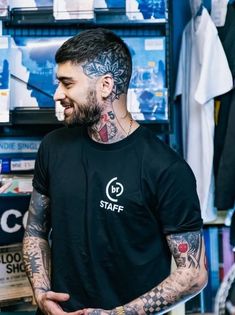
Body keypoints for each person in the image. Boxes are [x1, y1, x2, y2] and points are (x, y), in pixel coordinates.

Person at [22, 28, 208, 315]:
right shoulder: (53, 147)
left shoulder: (166, 169)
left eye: (67, 83)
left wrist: (119, 314)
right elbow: (35, 230)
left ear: (106, 85)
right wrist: (42, 293)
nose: (57, 94)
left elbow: (193, 274)